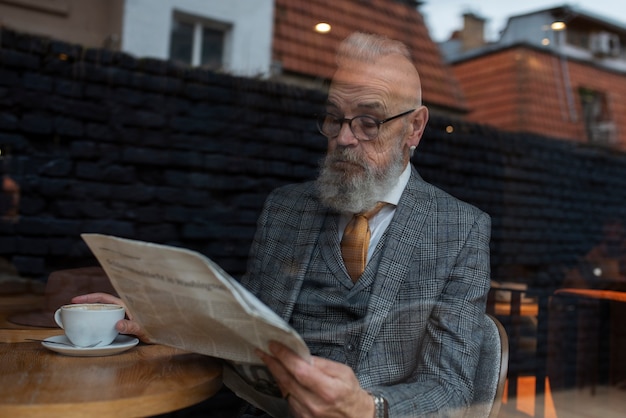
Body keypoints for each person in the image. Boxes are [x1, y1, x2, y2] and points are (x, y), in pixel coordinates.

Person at [74, 32, 491, 417]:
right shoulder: (285, 209)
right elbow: (243, 327)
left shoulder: (460, 228)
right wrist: (158, 318)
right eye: (334, 119)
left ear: (414, 127)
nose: (344, 138)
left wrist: (370, 408)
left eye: (369, 121)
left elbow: (451, 386)